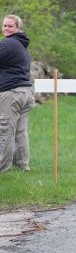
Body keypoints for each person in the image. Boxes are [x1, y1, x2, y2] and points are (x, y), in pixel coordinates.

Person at [0, 15, 35, 172]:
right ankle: (22, 165)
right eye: (4, 26)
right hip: (26, 92)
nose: (6, 29)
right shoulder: (22, 44)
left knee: (5, 129)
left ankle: (2, 166)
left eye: (10, 26)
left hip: (12, 92)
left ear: (18, 28)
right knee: (20, 131)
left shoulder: (8, 44)